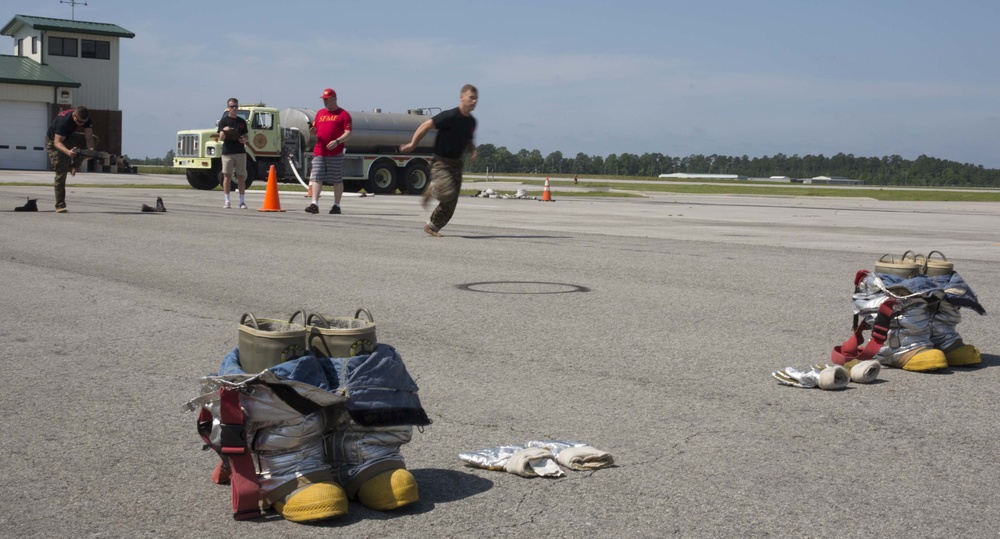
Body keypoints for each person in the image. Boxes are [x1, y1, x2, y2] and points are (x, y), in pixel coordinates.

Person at [399, 84, 478, 237]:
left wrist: (472, 151)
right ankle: (433, 188)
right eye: (471, 97)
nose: (474, 101)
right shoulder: (450, 116)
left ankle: (432, 226)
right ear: (462, 97)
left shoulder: (471, 122)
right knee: (447, 192)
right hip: (440, 162)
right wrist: (412, 144)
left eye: (476, 99)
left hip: (456, 163)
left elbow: (468, 139)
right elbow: (425, 125)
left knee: (451, 201)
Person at [305, 88, 352, 215]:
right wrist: (312, 131)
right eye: (324, 99)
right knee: (317, 176)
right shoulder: (320, 113)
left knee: (336, 178)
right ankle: (314, 204)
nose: (324, 102)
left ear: (334, 99)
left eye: (327, 99)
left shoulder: (343, 114)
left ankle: (336, 205)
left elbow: (348, 133)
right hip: (320, 151)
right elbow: (315, 129)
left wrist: (337, 141)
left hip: (335, 152)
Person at [45, 106, 97, 213]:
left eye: (83, 122)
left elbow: (88, 137)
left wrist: (90, 151)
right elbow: (57, 142)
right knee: (61, 172)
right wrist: (69, 153)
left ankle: (74, 165)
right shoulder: (64, 121)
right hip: (54, 142)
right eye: (79, 121)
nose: (81, 124)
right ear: (74, 115)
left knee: (95, 140)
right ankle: (60, 205)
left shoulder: (85, 118)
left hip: (69, 137)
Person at [218, 98, 249, 209]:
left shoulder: (241, 122)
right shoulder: (224, 121)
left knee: (241, 176)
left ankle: (242, 201)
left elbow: (247, 137)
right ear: (228, 108)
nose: (234, 108)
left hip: (240, 152)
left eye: (236, 106)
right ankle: (227, 200)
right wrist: (224, 130)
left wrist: (244, 139)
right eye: (232, 107)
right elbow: (221, 138)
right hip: (228, 152)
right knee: (227, 176)